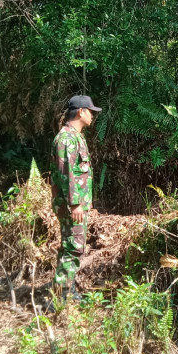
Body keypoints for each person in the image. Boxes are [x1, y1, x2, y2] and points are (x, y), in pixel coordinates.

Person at [49, 95, 101, 302]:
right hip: (72, 206)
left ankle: (66, 290)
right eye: (91, 112)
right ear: (81, 112)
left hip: (74, 205)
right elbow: (68, 173)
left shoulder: (75, 137)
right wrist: (76, 204)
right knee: (74, 249)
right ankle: (59, 299)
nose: (92, 116)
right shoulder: (67, 139)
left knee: (70, 247)